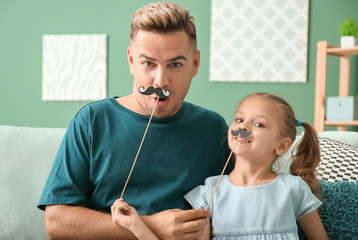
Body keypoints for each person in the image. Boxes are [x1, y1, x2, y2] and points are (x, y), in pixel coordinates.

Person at [37, 2, 230, 239]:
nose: (160, 81)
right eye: (148, 63)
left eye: (175, 64)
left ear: (195, 64)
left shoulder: (214, 128)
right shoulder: (91, 121)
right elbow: (57, 223)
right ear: (131, 60)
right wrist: (149, 226)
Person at [185, 93, 328, 240]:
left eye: (259, 124)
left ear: (281, 145)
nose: (242, 127)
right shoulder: (209, 192)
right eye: (239, 119)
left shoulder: (293, 188)